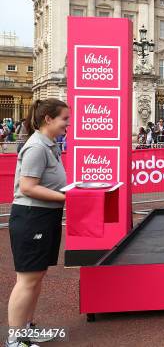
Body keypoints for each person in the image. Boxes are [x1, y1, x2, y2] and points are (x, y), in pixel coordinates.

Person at [7, 99, 70, 347]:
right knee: (27, 279)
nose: (68, 124)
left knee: (36, 276)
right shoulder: (36, 147)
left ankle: (26, 329)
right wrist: (68, 197)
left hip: (44, 216)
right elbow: (28, 187)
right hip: (32, 217)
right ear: (48, 119)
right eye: (64, 119)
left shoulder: (50, 144)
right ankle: (15, 340)